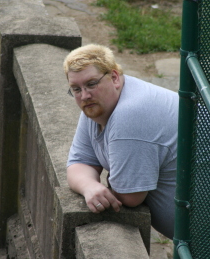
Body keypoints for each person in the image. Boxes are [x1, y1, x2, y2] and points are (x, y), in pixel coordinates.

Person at [63, 44, 178, 238]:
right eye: (76, 89)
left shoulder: (130, 114)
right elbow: (79, 163)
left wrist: (107, 185)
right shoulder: (96, 106)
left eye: (91, 84)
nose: (84, 95)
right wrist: (90, 186)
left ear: (114, 77)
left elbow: (130, 196)